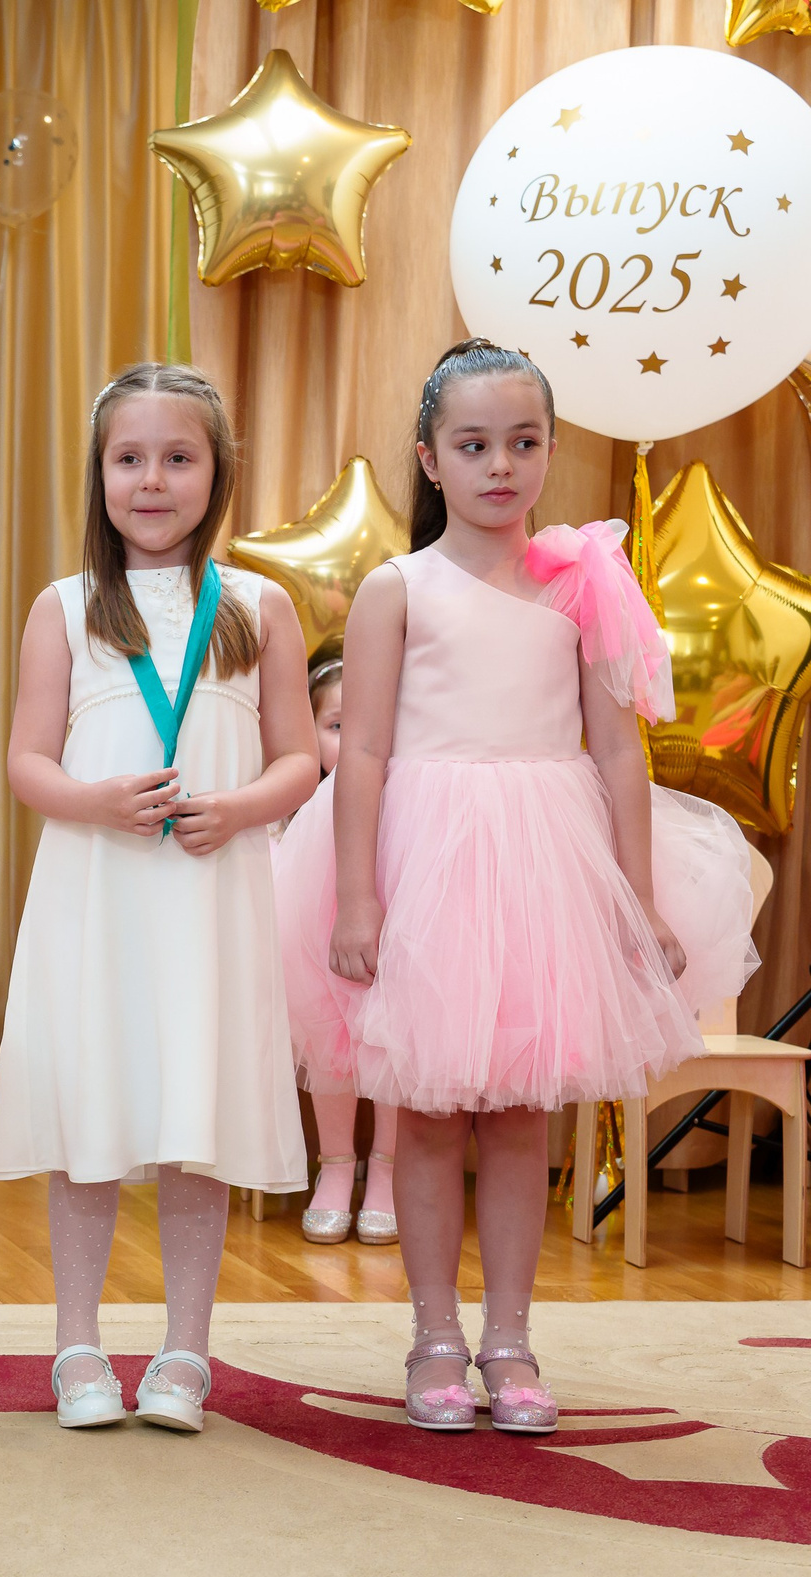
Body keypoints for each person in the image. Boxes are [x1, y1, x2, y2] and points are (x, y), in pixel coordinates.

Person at [273, 338, 758, 1433]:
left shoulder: (583, 580)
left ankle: (511, 1338)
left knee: (520, 1118)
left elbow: (620, 754)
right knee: (434, 1116)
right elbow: (362, 753)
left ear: (550, 451)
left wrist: (633, 901)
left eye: (524, 442)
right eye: (473, 444)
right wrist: (356, 897)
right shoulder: (398, 589)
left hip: (543, 861)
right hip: (428, 856)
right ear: (430, 460)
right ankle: (434, 1336)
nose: (501, 464)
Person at [0, 363, 319, 1433]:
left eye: (178, 458)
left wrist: (241, 808)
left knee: (195, 1113)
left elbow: (300, 758)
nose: (151, 480)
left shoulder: (258, 606)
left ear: (216, 473)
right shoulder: (67, 606)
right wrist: (94, 802)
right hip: (99, 896)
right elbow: (27, 762)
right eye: (129, 458)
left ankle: (184, 1351)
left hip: (207, 897)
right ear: (99, 473)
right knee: (91, 1104)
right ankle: (76, 1343)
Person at [281, 658, 400, 1246]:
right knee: (331, 1031)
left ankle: (387, 1170)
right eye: (335, 726)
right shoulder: (307, 820)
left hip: (401, 864)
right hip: (323, 898)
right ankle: (334, 1166)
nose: (350, 739)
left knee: (399, 1036)